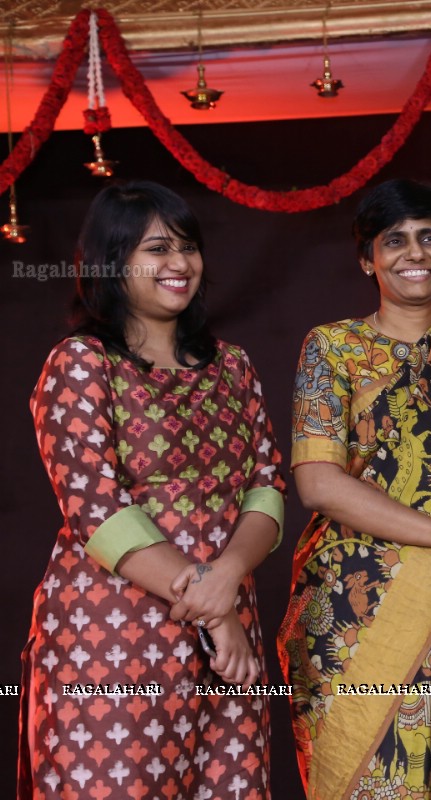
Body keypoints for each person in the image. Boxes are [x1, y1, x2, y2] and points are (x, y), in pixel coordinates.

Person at [21, 181, 286, 798]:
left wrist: (226, 586)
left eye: (188, 247)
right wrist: (213, 603)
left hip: (229, 634)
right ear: (113, 263)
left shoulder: (232, 364)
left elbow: (266, 488)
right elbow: (96, 508)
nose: (179, 264)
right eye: (157, 249)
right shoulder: (81, 362)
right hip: (115, 634)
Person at [278, 179, 431, 800]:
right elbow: (317, 481)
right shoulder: (332, 348)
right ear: (369, 259)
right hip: (356, 615)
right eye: (394, 241)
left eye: (429, 238)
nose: (413, 253)